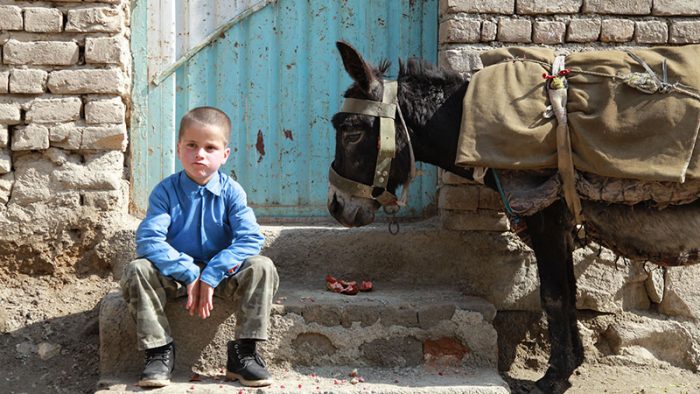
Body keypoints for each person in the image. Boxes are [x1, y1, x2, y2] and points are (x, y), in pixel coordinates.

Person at [120, 106, 279, 388]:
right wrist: (189, 271)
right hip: (177, 277)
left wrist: (212, 272)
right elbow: (148, 240)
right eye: (191, 145)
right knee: (137, 269)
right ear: (179, 148)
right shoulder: (165, 192)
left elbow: (250, 238)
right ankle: (159, 351)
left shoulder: (232, 192)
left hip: (223, 276)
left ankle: (244, 353)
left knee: (262, 266)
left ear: (225, 154)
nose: (200, 154)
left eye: (210, 147)